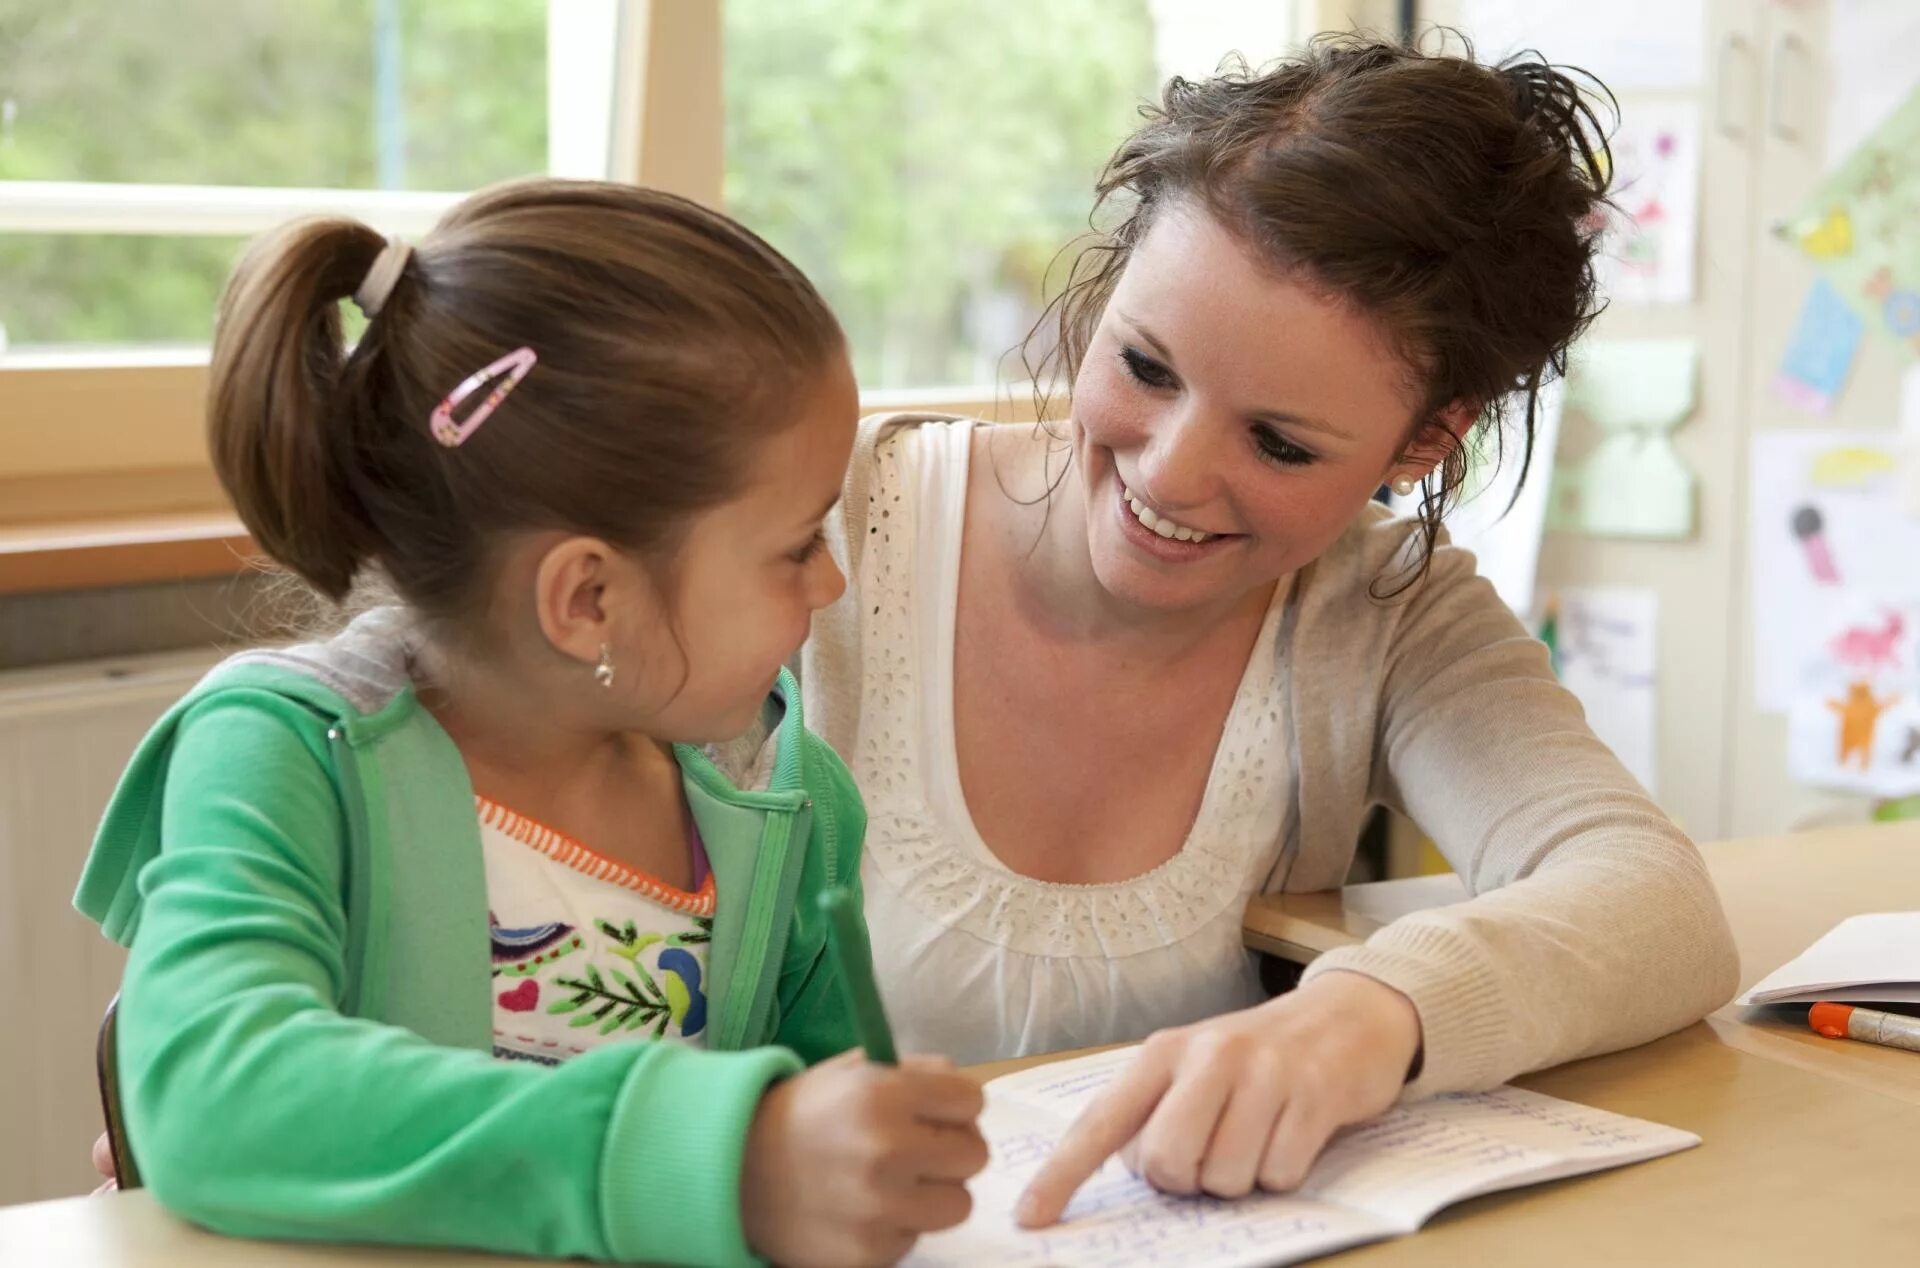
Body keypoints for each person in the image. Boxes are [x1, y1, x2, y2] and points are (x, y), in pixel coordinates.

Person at [793, 34, 1740, 1224]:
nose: (1173, 475)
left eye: (1280, 444)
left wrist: (1375, 1009)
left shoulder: (1391, 612)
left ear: (1422, 443)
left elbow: (1658, 904)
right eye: (1144, 364)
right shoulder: (808, 535)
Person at [74, 179, 985, 1268]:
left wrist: (861, 1167)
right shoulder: (281, 753)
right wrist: (728, 1156)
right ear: (588, 598)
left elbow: (818, 1134)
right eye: (795, 545)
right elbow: (213, 1091)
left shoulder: (791, 803)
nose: (830, 582)